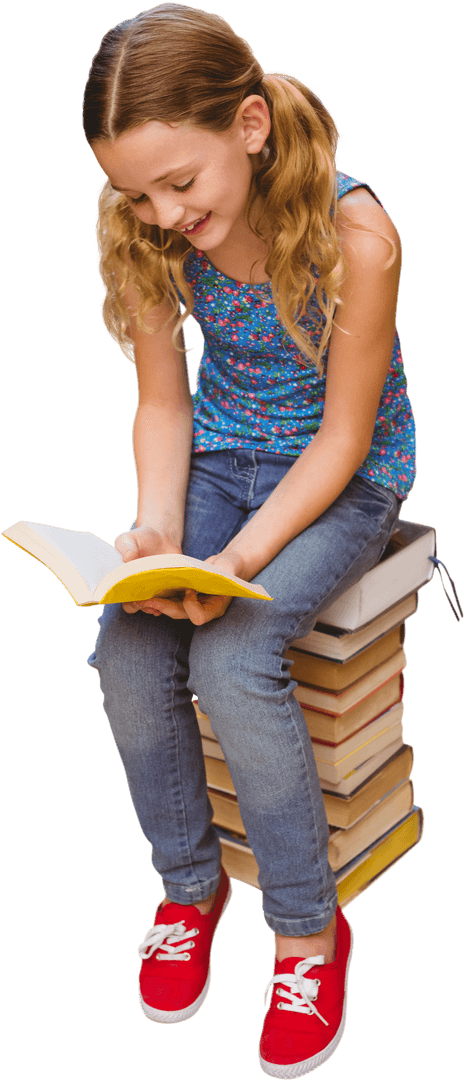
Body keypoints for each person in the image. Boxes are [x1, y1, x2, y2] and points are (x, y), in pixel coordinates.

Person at [83, 4, 415, 1076]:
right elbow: (165, 409)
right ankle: (189, 889)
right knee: (127, 649)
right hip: (221, 465)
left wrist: (235, 567)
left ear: (250, 125)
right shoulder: (142, 228)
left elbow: (343, 436)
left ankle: (310, 934)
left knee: (233, 657)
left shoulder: (357, 235)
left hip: (340, 480)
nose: (162, 211)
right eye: (137, 191)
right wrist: (158, 531)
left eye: (180, 183)